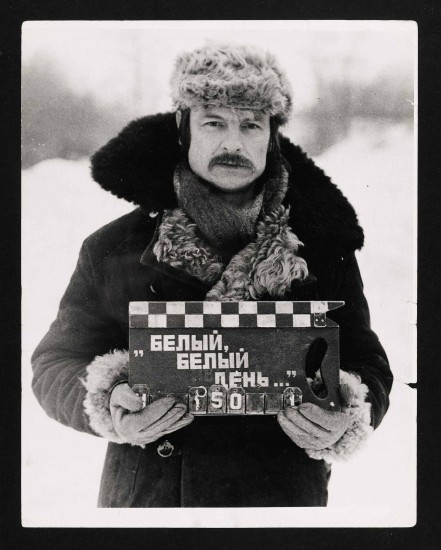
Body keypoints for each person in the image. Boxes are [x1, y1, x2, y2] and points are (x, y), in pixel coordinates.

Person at [31, 43, 393, 507]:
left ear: (272, 137)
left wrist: (346, 411)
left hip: (278, 506)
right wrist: (111, 402)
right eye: (214, 122)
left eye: (250, 125)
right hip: (151, 502)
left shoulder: (322, 248)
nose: (233, 144)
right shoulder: (114, 248)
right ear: (184, 131)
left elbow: (369, 363)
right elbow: (54, 362)